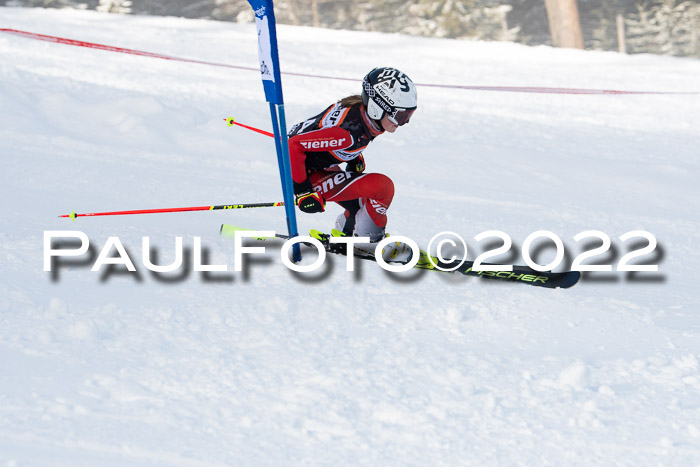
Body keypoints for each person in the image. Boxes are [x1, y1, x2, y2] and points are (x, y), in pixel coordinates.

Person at [288, 66, 417, 243]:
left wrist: (353, 156)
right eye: (400, 116)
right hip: (299, 174)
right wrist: (303, 192)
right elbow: (293, 145)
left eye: (409, 115)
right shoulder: (346, 135)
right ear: (377, 108)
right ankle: (369, 240)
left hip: (312, 167)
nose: (405, 122)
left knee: (364, 201)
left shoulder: (361, 116)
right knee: (382, 187)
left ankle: (348, 231)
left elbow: (323, 133)